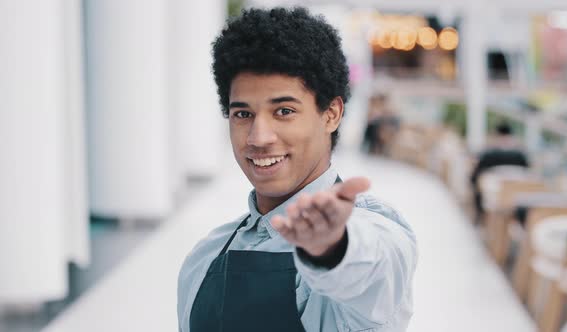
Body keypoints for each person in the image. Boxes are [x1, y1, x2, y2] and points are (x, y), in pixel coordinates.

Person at [177, 7, 417, 332]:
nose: (259, 138)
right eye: (243, 114)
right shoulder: (205, 257)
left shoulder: (373, 229)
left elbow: (372, 269)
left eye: (284, 111)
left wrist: (331, 246)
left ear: (331, 114)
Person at [470, 121, 529, 221]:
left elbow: (475, 178)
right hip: (517, 200)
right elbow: (528, 174)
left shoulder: (489, 154)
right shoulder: (520, 155)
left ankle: (481, 219)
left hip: (494, 200)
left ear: (496, 135)